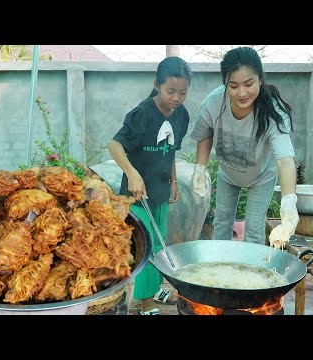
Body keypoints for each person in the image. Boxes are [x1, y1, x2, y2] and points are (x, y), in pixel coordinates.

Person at [190, 46, 299, 248]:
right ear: (224, 84)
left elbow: (284, 160)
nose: (242, 93)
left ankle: (252, 275)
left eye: (249, 84)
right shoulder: (213, 103)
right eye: (233, 86)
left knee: (253, 230)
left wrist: (289, 201)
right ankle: (219, 271)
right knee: (221, 222)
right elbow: (205, 134)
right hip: (228, 173)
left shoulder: (274, 111)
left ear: (260, 79)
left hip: (262, 176)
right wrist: (199, 167)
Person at [108, 56, 192, 315]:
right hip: (137, 196)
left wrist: (174, 181)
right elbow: (114, 145)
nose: (176, 98)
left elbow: (171, 150)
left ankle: (154, 292)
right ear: (156, 84)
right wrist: (132, 173)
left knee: (159, 243)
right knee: (144, 247)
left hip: (160, 192)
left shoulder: (182, 116)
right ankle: (144, 304)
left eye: (182, 92)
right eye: (170, 91)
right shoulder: (142, 114)